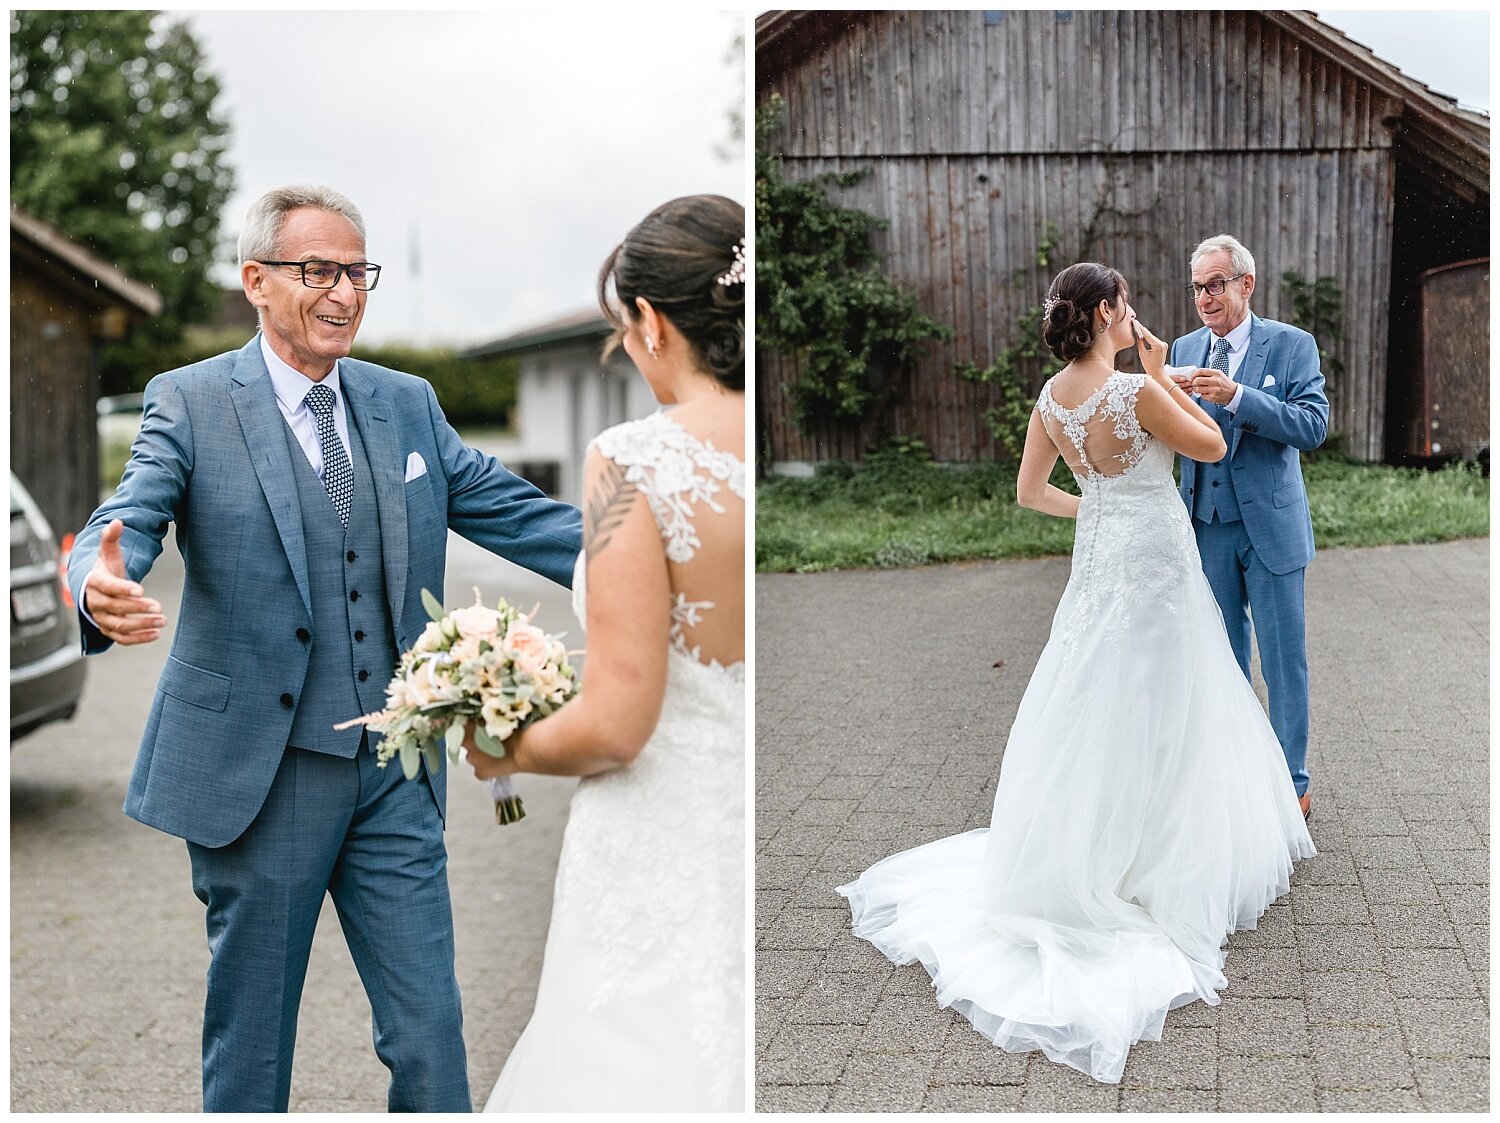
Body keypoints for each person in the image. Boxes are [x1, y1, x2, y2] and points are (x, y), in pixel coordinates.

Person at [66, 184, 582, 1112]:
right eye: (319, 271)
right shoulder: (188, 402)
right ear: (256, 281)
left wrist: (664, 548)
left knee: (430, 1029)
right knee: (252, 1041)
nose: (344, 292)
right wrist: (100, 586)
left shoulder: (406, 403)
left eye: (357, 272)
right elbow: (126, 517)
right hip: (261, 780)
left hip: (397, 768)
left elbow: (520, 515)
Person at [836, 262, 1315, 1084]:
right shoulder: (1133, 391)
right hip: (1156, 570)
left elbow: (1030, 491)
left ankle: (1086, 850)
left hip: (1100, 571)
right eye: (1125, 304)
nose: (1136, 315)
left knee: (1091, 702)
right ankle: (1156, 863)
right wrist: (1160, 373)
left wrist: (1095, 504)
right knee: (1173, 703)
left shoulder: (1052, 399)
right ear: (1105, 312)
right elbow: (1210, 442)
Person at [466, 195, 746, 1111]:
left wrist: (506, 746)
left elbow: (620, 725)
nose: (628, 347)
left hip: (661, 833)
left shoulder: (631, 460)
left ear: (655, 323)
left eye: (626, 329)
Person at [1168, 235, 1329, 819]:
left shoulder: (1291, 346)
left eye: (1216, 284)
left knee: (1284, 660)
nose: (1205, 298)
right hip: (1206, 525)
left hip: (1271, 530)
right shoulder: (1183, 348)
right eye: (1197, 288)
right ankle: (1234, 775)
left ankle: (1291, 784)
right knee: (1224, 658)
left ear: (1245, 284)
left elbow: (1312, 426)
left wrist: (1239, 397)